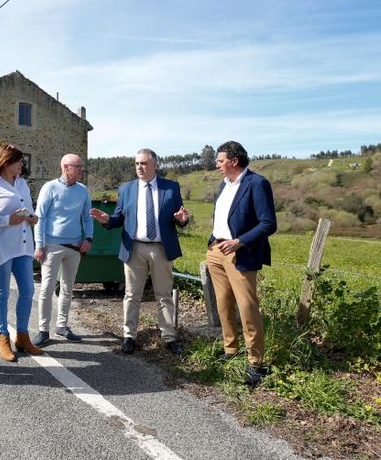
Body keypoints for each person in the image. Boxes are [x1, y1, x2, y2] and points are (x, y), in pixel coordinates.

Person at [90, 149, 190, 356]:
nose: (140, 167)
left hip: (162, 248)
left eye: (144, 163)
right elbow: (118, 218)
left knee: (164, 295)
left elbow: (179, 218)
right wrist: (107, 220)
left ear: (155, 165)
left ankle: (169, 337)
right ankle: (129, 336)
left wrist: (182, 220)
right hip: (134, 248)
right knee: (131, 294)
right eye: (137, 164)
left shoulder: (171, 188)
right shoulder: (126, 189)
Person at [205, 141, 277, 386]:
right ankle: (230, 349)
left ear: (234, 161)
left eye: (220, 160)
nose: (217, 165)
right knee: (223, 304)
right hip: (216, 250)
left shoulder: (257, 183)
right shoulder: (223, 185)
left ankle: (255, 363)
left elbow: (268, 224)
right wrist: (215, 244)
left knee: (247, 307)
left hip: (241, 253)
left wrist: (239, 242)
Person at [0, 144, 45, 361]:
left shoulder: (22, 184)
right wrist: (7, 220)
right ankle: (3, 338)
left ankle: (23, 336)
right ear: (7, 161)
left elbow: (29, 209)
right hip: (1, 247)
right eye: (19, 161)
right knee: (2, 292)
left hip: (24, 246)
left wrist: (33, 217)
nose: (22, 165)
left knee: (28, 291)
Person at [32, 154, 93, 347]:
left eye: (81, 166)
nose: (81, 169)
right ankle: (43, 330)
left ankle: (62, 326)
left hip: (74, 247)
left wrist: (88, 238)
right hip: (52, 246)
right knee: (47, 288)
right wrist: (39, 244)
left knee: (68, 287)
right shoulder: (50, 188)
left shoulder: (83, 191)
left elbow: (88, 217)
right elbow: (39, 217)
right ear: (66, 167)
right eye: (78, 166)